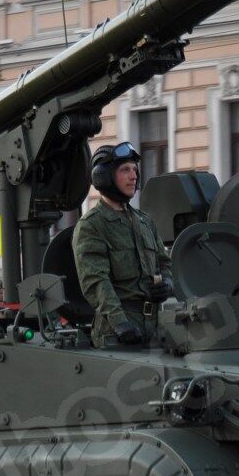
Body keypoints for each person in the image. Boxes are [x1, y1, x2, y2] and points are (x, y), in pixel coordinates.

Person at [72, 141, 170, 350]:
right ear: (103, 176)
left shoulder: (144, 221)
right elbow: (96, 281)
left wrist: (167, 284)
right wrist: (120, 323)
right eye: (125, 170)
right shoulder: (92, 225)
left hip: (154, 328)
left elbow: (164, 262)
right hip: (116, 333)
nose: (134, 176)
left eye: (134, 170)